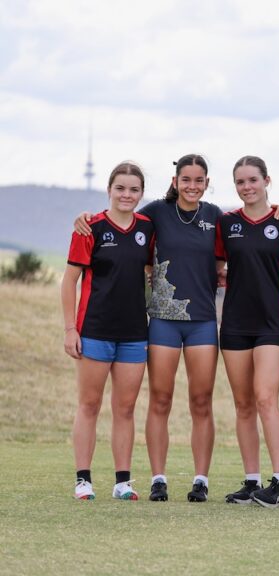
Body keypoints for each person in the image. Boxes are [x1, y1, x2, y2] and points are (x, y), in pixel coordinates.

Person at [72, 155, 279, 503]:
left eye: (198, 180)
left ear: (206, 183)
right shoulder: (154, 214)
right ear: (175, 181)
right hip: (162, 321)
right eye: (185, 179)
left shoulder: (216, 217)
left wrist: (278, 210)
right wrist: (85, 218)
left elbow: (247, 231)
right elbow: (119, 219)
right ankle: (159, 478)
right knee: (160, 400)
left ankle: (201, 480)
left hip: (202, 321)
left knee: (201, 401)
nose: (191, 186)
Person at [62, 162, 155, 501]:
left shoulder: (148, 227)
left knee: (125, 408)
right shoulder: (91, 228)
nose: (127, 195)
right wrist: (70, 328)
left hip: (134, 333)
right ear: (109, 190)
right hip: (95, 331)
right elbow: (69, 280)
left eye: (133, 189)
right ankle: (83, 480)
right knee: (89, 404)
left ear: (141, 193)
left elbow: (150, 267)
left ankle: (122, 482)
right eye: (121, 188)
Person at [216, 155, 279, 508]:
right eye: (240, 182)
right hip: (234, 323)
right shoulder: (226, 224)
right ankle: (252, 482)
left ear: (267, 181)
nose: (247, 187)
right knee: (243, 404)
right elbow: (218, 267)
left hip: (272, 325)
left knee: (266, 398)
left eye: (253, 180)